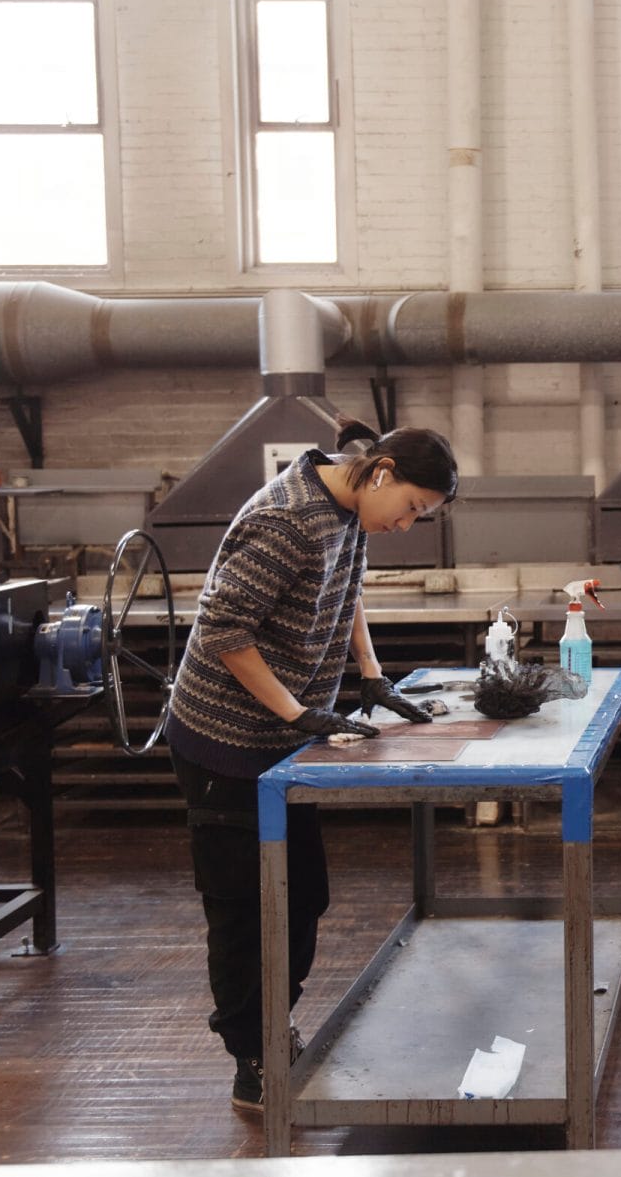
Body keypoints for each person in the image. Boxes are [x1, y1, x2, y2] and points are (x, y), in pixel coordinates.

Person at [164, 420, 457, 1113]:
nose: (410, 524)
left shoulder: (347, 509)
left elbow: (346, 584)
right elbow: (223, 628)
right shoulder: (288, 518)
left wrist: (373, 674)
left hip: (280, 744)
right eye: (414, 507)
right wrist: (295, 710)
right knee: (243, 907)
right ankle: (252, 1059)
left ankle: (275, 1028)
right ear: (381, 472)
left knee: (301, 895)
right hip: (223, 743)